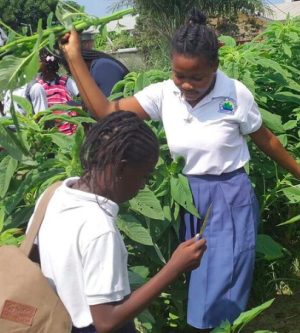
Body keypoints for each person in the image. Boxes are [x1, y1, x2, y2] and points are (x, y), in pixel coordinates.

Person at [61, 8, 300, 331]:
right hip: (188, 199)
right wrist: (75, 58)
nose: (186, 85)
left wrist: (299, 171)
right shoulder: (163, 94)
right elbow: (107, 112)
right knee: (200, 280)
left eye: (197, 77)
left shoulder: (235, 94)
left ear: (215, 66)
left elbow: (265, 138)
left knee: (225, 282)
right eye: (179, 75)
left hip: (229, 197)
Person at [28, 111, 207, 333]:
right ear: (122, 168)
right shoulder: (99, 227)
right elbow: (106, 321)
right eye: (144, 176)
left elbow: (33, 259)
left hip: (54, 320)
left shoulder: (53, 194)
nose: (143, 186)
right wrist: (174, 268)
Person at [38, 49, 80, 135]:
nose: (38, 63)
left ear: (47, 65)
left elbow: (82, 95)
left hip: (69, 130)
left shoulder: (65, 82)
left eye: (40, 60)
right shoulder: (37, 85)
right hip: (49, 131)